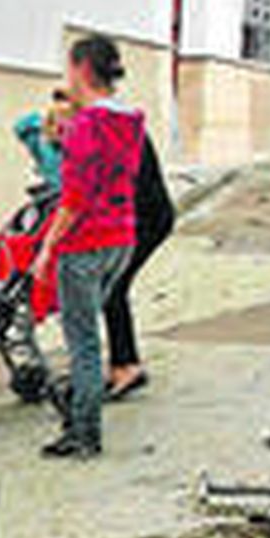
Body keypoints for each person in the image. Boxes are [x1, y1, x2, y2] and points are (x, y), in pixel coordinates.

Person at [29, 35, 142, 460]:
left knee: (84, 344)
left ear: (81, 69)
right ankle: (76, 415)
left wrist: (45, 251)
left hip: (85, 243)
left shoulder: (86, 127)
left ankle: (84, 433)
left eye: (68, 68)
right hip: (122, 238)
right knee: (88, 335)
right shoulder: (130, 119)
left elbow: (73, 200)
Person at [102, 132, 176, 402]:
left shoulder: (119, 135)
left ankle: (127, 366)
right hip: (141, 218)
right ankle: (122, 364)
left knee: (112, 289)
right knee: (111, 289)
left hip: (148, 221)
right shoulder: (119, 129)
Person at [13, 90, 75, 193]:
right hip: (53, 197)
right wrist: (44, 124)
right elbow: (22, 126)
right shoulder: (40, 142)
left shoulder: (84, 144)